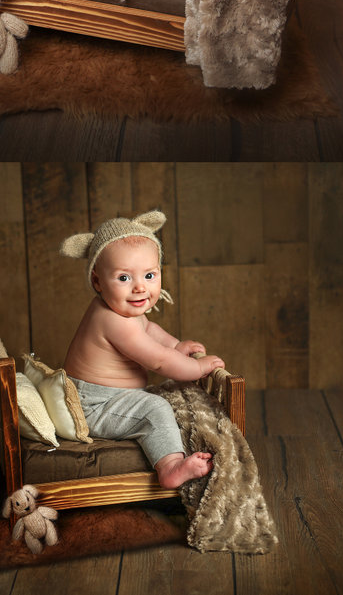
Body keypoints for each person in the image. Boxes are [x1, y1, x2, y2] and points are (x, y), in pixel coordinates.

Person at [61, 210, 225, 489]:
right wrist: (197, 368)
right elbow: (159, 362)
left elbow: (150, 332)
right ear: (98, 282)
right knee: (155, 409)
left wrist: (176, 345)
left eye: (149, 275)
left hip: (111, 397)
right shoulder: (112, 320)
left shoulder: (123, 311)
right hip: (94, 406)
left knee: (156, 403)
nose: (139, 288)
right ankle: (171, 467)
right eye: (124, 278)